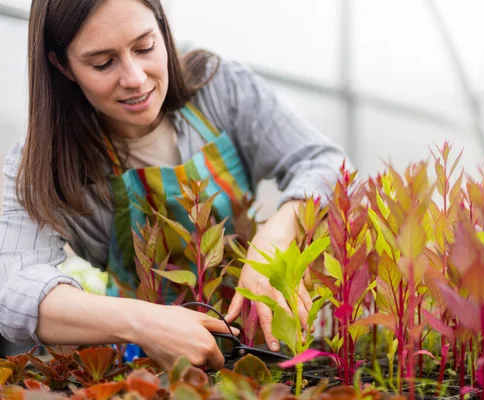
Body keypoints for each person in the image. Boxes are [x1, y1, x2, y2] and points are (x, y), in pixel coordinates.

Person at [0, 0, 347, 370]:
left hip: (261, 346)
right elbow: (13, 289)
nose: (134, 78)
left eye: (145, 47)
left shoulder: (218, 88)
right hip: (146, 364)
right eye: (103, 63)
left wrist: (273, 240)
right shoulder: (43, 161)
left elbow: (325, 164)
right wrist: (144, 323)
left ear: (163, 29)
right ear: (62, 65)